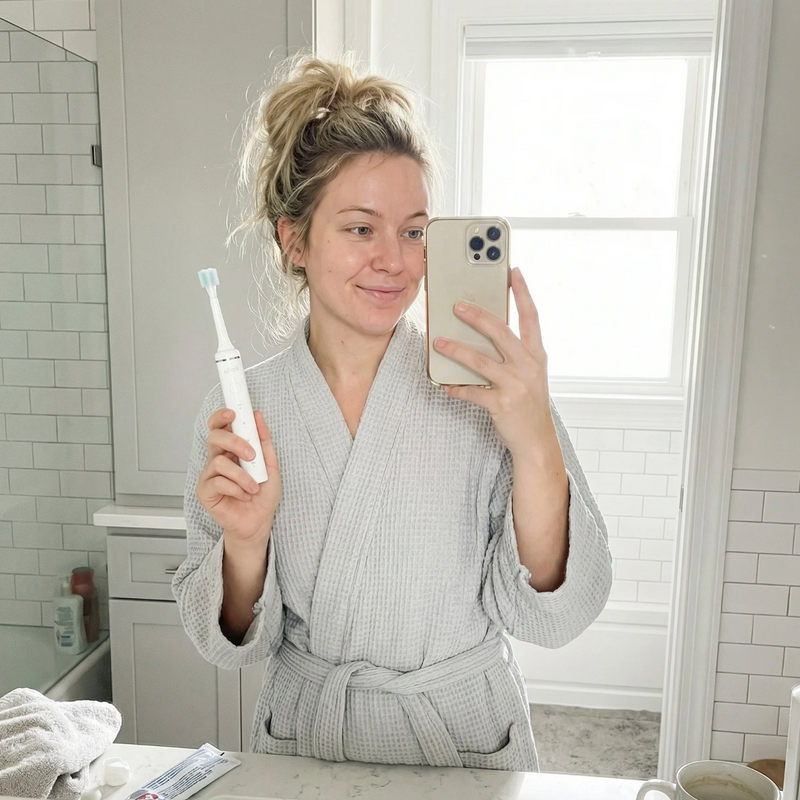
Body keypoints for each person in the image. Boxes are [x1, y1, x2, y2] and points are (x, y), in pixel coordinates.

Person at [173, 54, 612, 771]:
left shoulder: (491, 389)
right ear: (294, 240)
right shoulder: (244, 411)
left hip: (463, 741)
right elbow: (229, 645)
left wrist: (536, 442)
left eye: (414, 232)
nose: (394, 261)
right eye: (359, 229)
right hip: (313, 741)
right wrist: (245, 544)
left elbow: (551, 614)